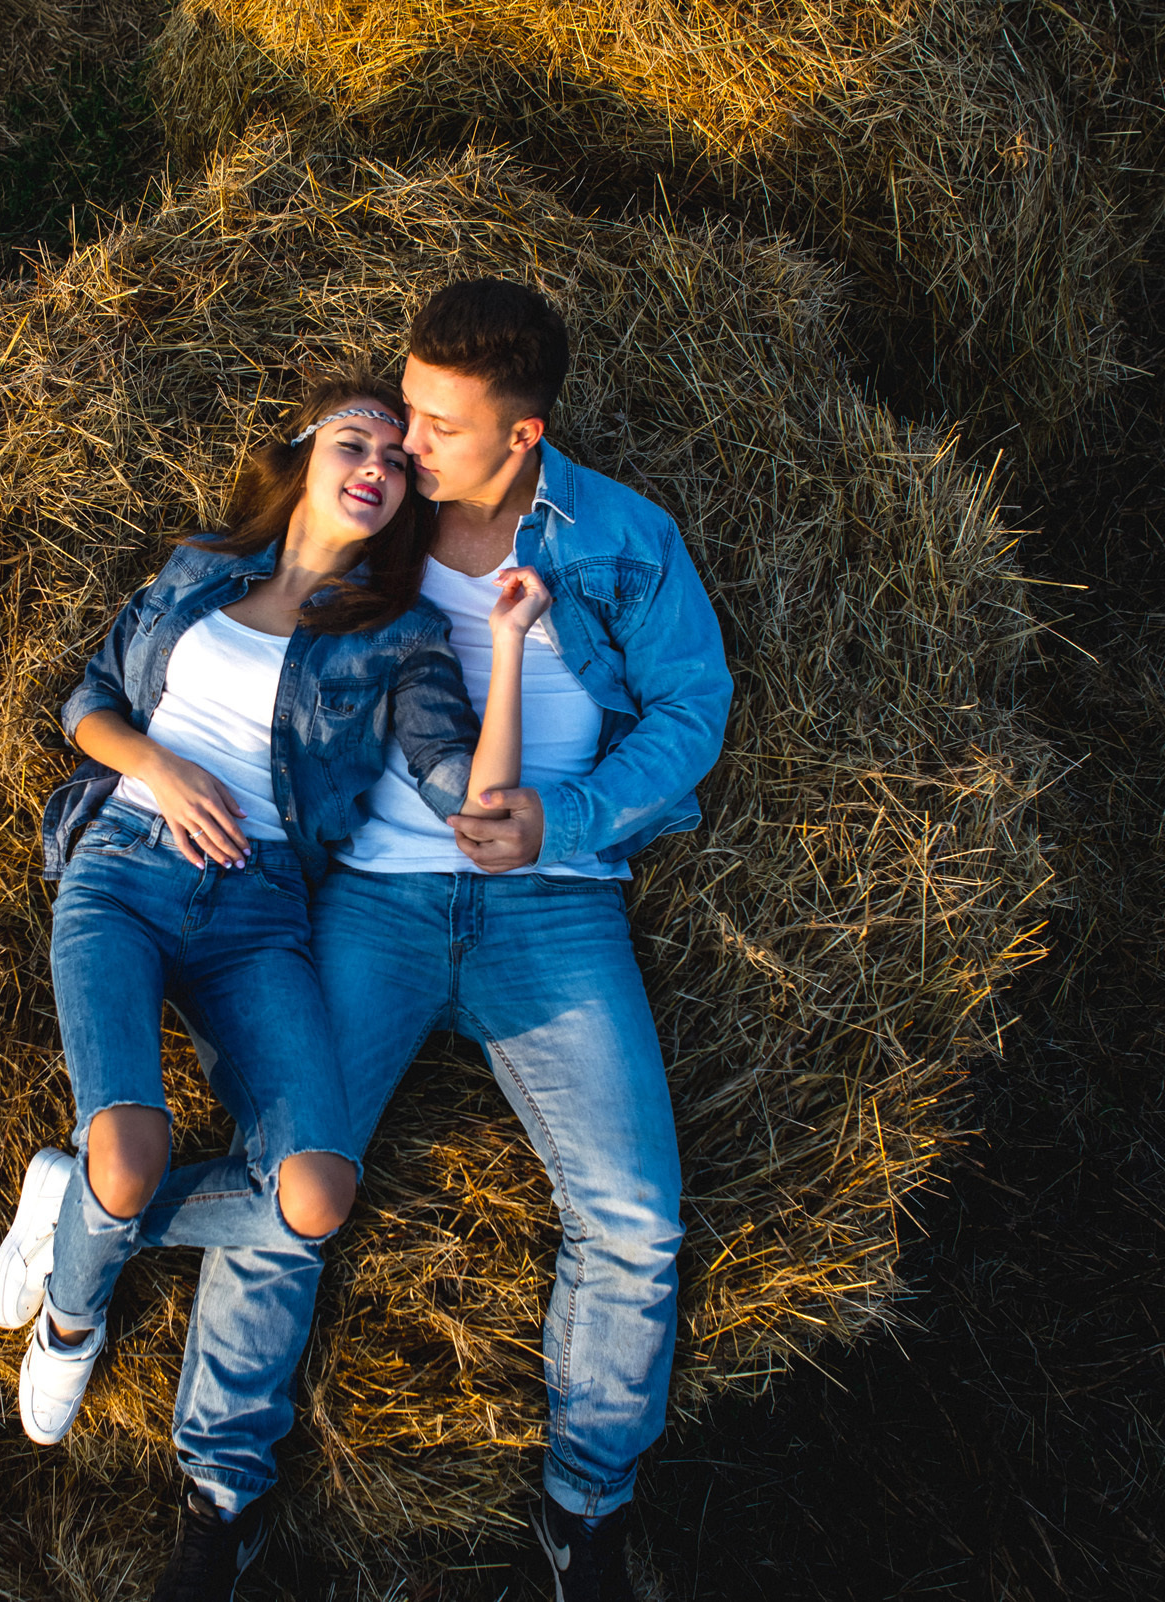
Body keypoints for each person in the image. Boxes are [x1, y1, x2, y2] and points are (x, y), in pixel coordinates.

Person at [167, 281, 733, 1602]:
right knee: (287, 1178)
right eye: (404, 408)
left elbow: (690, 706)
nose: (404, 442)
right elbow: (229, 594)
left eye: (438, 424)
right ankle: (219, 1494)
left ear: (524, 435)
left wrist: (565, 818)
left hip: (557, 902)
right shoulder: (376, 515)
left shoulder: (623, 538)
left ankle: (586, 1509)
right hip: (374, 898)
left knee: (636, 1217)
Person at [0, 372, 556, 1599]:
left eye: (397, 461)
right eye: (356, 442)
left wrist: (508, 647)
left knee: (312, 1196)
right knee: (132, 1150)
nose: (379, 466)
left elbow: (464, 784)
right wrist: (160, 766)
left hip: (259, 918)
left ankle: (78, 1204)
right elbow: (88, 700)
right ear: (302, 457)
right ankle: (74, 1317)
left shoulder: (400, 635)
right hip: (126, 868)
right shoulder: (200, 570)